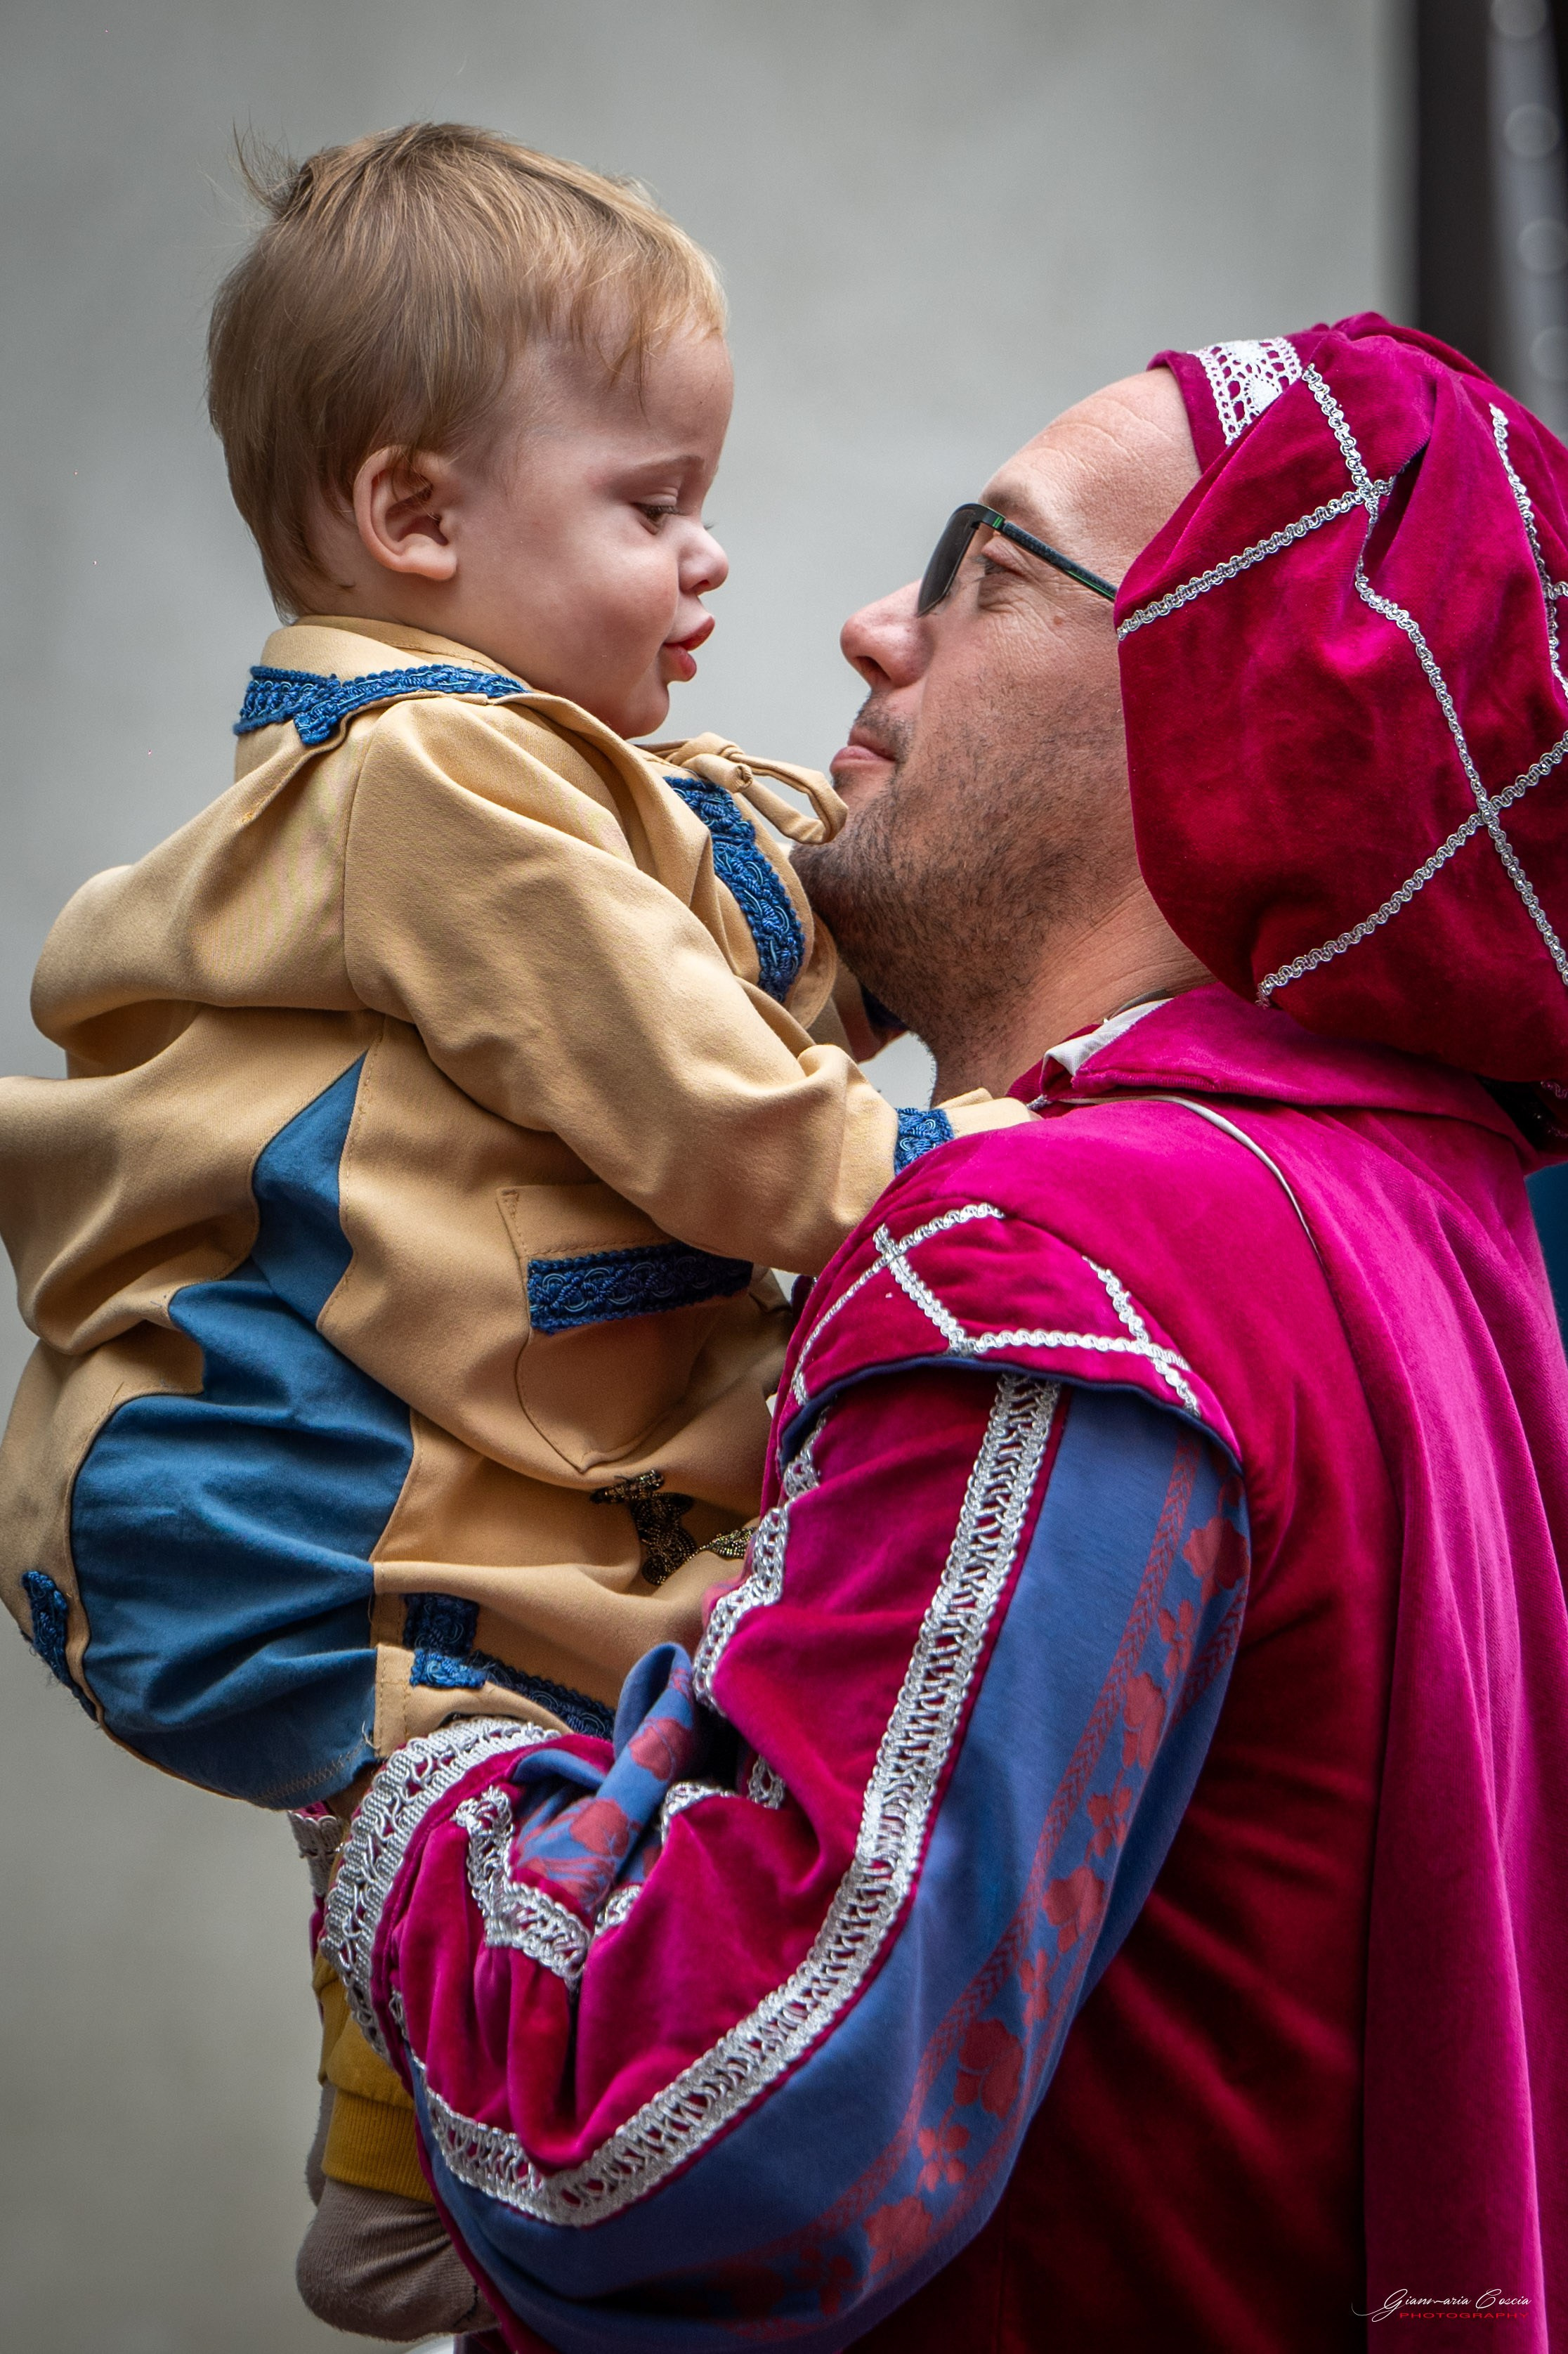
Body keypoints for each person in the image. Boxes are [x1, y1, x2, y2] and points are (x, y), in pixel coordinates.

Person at [318, 314, 1568, 2353]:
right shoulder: (1428, 1219)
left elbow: (696, 2146)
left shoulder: (1071, 1240)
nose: (865, 631)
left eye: (984, 573)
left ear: (1222, 693)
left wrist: (387, 1769)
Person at [0, 124, 1023, 2342]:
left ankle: (395, 2179)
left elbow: (736, 933)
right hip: (377, 1468)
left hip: (483, 1429)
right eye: (650, 505)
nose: (712, 558)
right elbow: (692, 1085)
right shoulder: (432, 780)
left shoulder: (549, 781)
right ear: (419, 519)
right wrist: (959, 1184)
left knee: (509, 1781)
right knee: (501, 1757)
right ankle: (404, 2185)